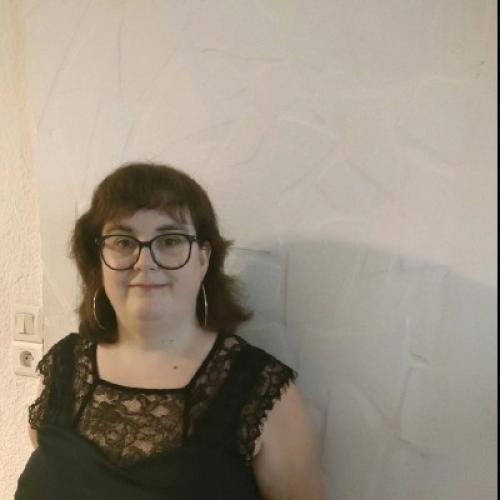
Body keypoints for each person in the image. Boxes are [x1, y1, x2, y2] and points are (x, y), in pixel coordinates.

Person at [15, 162, 324, 499]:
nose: (145, 262)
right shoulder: (63, 367)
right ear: (99, 258)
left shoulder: (262, 391)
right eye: (123, 241)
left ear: (203, 259)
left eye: (171, 240)